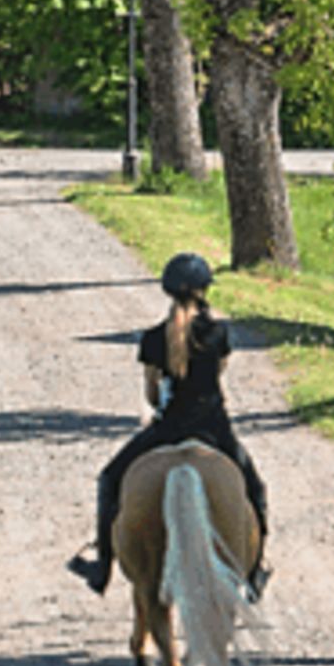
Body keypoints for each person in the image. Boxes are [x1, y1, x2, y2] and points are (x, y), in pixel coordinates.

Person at [67, 252, 272, 599]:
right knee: (255, 489)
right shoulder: (219, 334)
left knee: (110, 480)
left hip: (167, 430)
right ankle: (255, 570)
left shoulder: (152, 339)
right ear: (204, 289)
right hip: (215, 430)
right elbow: (217, 377)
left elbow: (151, 393)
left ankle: (102, 566)